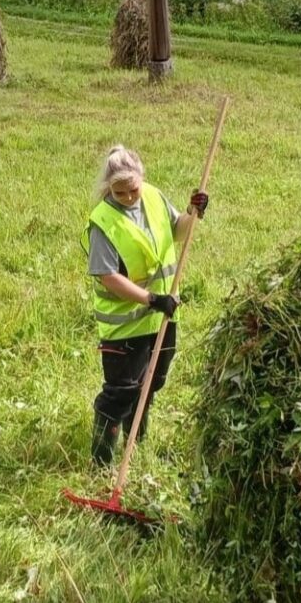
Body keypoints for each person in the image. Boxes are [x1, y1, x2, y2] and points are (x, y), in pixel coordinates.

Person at [82, 146, 209, 465]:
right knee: (121, 393)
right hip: (125, 325)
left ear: (143, 178)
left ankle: (134, 445)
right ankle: (100, 463)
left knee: (151, 384)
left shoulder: (152, 196)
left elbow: (176, 232)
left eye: (133, 189)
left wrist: (192, 214)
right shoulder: (103, 222)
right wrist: (151, 299)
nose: (127, 197)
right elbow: (108, 277)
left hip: (161, 317)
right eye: (118, 191)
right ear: (108, 188)